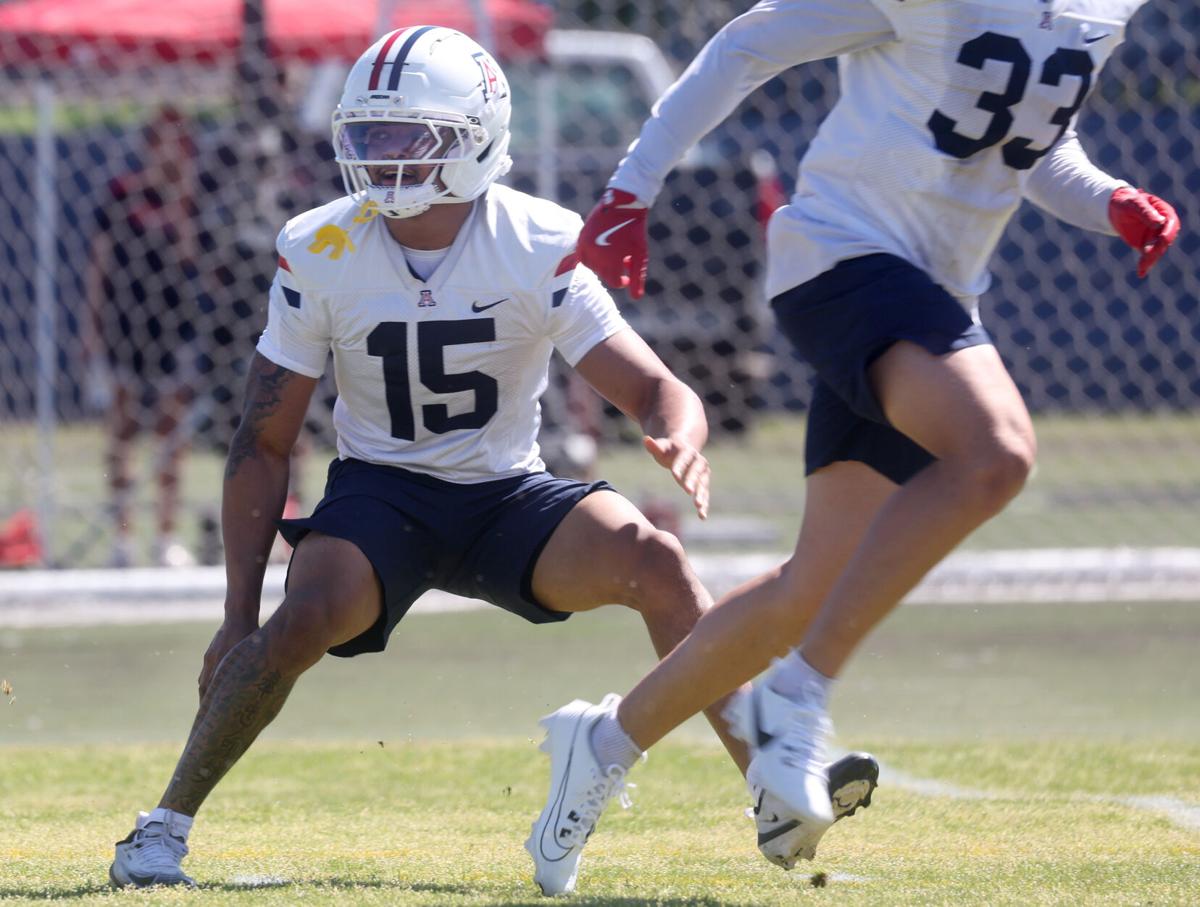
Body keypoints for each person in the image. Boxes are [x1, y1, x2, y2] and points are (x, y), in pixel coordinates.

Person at [105, 26, 879, 893]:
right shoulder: (320, 246)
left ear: (475, 139)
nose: (380, 156)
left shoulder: (535, 240)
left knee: (656, 560)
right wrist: (235, 612)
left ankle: (771, 790)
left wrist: (677, 430)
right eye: (368, 134)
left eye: (407, 136)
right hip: (381, 494)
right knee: (301, 618)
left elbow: (657, 386)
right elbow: (263, 440)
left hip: (507, 494)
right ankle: (161, 827)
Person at [529, 0, 1180, 886]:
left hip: (935, 297)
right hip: (844, 258)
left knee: (811, 587)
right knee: (996, 453)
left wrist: (1110, 201)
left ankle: (602, 742)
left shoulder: (1102, 9)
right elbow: (749, 41)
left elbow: (1031, 142)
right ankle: (794, 700)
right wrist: (630, 188)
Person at [84, 106, 206, 568]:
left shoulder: (191, 196)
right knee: (122, 429)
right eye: (161, 141)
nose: (170, 151)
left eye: (179, 142)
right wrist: (90, 327)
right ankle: (122, 539)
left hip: (172, 325)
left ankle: (166, 536)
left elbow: (192, 256)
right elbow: (99, 262)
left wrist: (179, 197)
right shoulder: (122, 193)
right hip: (124, 323)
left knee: (172, 431)